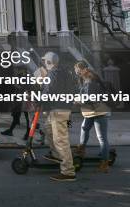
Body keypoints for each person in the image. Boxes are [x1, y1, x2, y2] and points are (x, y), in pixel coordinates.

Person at [40, 52, 77, 182]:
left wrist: (38, 99)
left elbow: (48, 90)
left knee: (61, 141)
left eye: (45, 61)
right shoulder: (64, 72)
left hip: (59, 110)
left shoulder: (53, 74)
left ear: (49, 62)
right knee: (47, 129)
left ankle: (68, 172)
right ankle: (56, 155)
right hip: (59, 108)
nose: (44, 63)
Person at [74, 61, 111, 173]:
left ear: (83, 69)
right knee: (84, 128)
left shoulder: (90, 79)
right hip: (91, 111)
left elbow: (89, 98)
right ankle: (81, 149)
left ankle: (104, 163)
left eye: (77, 69)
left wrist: (77, 101)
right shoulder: (86, 79)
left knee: (102, 138)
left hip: (98, 111)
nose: (76, 72)